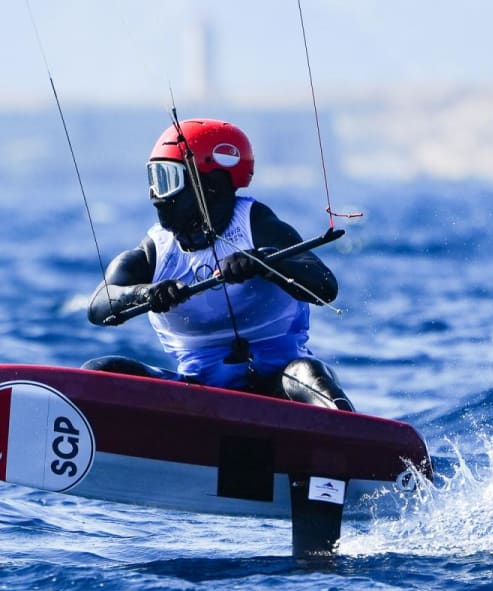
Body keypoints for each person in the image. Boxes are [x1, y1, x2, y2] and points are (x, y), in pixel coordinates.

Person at [83, 118, 353, 411]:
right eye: (154, 179)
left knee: (307, 372)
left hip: (281, 385)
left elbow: (325, 287)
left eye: (167, 179)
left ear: (210, 185)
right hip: (199, 393)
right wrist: (145, 294)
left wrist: (261, 262)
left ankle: (354, 435)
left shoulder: (258, 225)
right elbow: (99, 305)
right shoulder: (154, 252)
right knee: (101, 370)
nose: (155, 196)